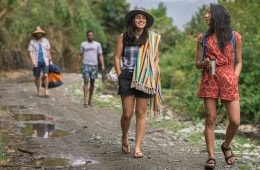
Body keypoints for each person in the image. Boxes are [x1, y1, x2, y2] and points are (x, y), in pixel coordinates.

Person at [195, 3, 242, 169]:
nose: (206, 16)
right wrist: (204, 63)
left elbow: (239, 61)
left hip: (229, 78)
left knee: (235, 121)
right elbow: (197, 63)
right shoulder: (203, 38)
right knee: (211, 119)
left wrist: (234, 77)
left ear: (218, 16)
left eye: (209, 13)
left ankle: (226, 145)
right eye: (206, 13)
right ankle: (211, 157)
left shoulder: (235, 37)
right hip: (210, 78)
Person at [114, 9, 161, 158]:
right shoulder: (124, 37)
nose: (141, 20)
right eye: (138, 18)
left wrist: (152, 76)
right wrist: (120, 74)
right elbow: (117, 58)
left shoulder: (151, 38)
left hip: (145, 77)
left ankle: (138, 147)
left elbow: (155, 59)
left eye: (143, 18)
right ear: (133, 21)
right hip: (127, 76)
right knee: (127, 114)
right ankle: (124, 137)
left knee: (141, 113)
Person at [77, 30, 105, 107]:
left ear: (93, 36)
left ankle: (90, 99)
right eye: (89, 35)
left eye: (91, 35)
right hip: (86, 65)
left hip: (94, 66)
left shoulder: (97, 44)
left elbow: (100, 55)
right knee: (86, 81)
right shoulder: (83, 44)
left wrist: (102, 64)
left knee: (92, 83)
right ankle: (85, 100)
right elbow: (80, 54)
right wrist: (78, 64)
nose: (90, 36)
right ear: (87, 36)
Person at [28, 26, 52, 97]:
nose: (39, 34)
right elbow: (30, 52)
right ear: (35, 34)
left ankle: (46, 90)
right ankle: (38, 91)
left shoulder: (46, 41)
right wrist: (33, 61)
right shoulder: (32, 42)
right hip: (36, 61)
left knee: (46, 75)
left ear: (42, 34)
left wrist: (51, 60)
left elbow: (48, 51)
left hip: (45, 61)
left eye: (40, 33)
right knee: (37, 77)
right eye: (37, 33)